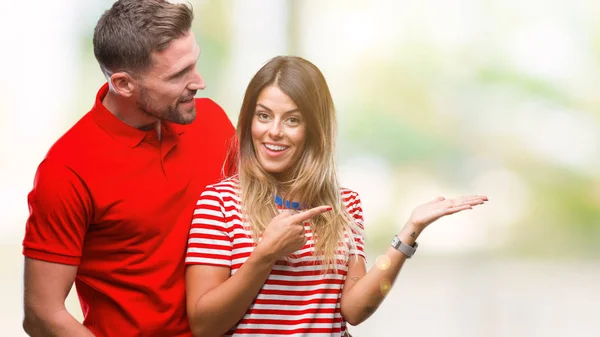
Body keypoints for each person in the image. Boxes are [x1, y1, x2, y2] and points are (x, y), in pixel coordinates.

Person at [184, 55, 488, 337]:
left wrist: (407, 235)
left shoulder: (345, 205)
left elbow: (355, 310)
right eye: (264, 116)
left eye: (292, 120)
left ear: (315, 129)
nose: (274, 131)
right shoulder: (219, 202)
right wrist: (265, 255)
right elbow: (204, 325)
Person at [21, 1, 235, 336]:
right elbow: (42, 314)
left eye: (194, 63)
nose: (199, 82)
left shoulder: (214, 122)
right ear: (123, 84)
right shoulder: (66, 170)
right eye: (179, 74)